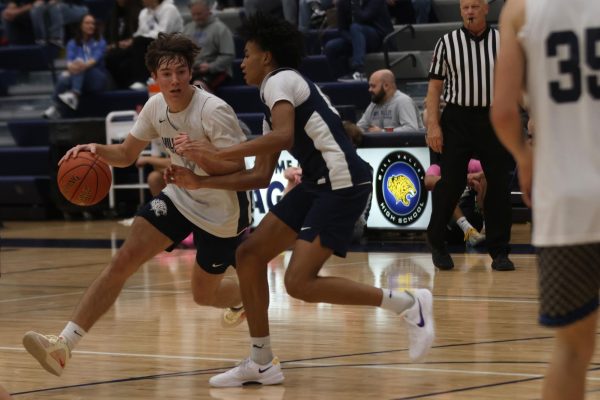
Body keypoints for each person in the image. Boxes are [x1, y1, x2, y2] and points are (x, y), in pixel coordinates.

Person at [166, 13, 435, 387]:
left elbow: (283, 136)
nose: (242, 62)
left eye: (247, 54)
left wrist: (217, 156)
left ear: (268, 57)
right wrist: (201, 181)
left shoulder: (281, 80)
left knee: (298, 283)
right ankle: (261, 361)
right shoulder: (271, 98)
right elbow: (260, 175)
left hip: (342, 182)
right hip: (315, 184)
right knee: (249, 254)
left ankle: (408, 303)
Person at [22, 33, 251, 377]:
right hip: (181, 196)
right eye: (166, 74)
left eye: (181, 72)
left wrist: (201, 159)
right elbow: (127, 154)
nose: (174, 81)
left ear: (190, 73)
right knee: (123, 260)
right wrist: (95, 150)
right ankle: (63, 346)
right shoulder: (156, 107)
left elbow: (239, 169)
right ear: (154, 77)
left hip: (221, 209)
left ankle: (246, 295)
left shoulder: (214, 111)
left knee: (204, 295)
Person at [491, 1, 600, 399]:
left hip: (566, 199)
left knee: (572, 350)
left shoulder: (519, 10)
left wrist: (524, 157)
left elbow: (503, 112)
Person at [425, 0, 514, 271]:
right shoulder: (447, 43)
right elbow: (434, 90)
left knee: (498, 185)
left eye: (475, 6)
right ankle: (437, 239)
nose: (470, 12)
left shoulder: (503, 41)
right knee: (450, 184)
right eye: (465, 7)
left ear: (486, 8)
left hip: (492, 118)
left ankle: (499, 251)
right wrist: (433, 125)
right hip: (457, 119)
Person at [42, 14, 109, 119]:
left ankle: (67, 99)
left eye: (93, 23)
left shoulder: (100, 42)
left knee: (78, 65)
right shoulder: (72, 43)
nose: (91, 26)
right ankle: (62, 102)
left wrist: (80, 65)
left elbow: (93, 61)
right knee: (64, 77)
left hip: (97, 78)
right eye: (87, 23)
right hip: (79, 78)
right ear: (81, 26)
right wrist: (74, 67)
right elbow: (69, 64)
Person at [323, 0, 393, 81]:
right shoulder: (343, 2)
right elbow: (342, 29)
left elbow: (364, 17)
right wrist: (352, 39)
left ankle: (360, 71)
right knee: (331, 46)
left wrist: (354, 3)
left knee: (355, 27)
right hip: (355, 39)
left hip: (377, 38)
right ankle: (339, 78)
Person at [425, 159, 486, 247]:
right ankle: (469, 231)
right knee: (443, 186)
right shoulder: (437, 168)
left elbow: (493, 170)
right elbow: (428, 182)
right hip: (451, 225)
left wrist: (478, 177)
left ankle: (487, 226)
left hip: (475, 220)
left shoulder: (471, 164)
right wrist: (464, 179)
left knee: (487, 178)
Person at [127, 0, 183, 90]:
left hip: (170, 43)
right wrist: (130, 41)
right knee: (120, 53)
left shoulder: (169, 9)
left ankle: (141, 80)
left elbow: (163, 33)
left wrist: (140, 38)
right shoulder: (144, 12)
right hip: (148, 41)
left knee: (139, 43)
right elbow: (140, 32)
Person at [182, 0, 235, 92]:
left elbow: (228, 55)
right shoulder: (188, 29)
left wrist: (211, 66)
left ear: (208, 11)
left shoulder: (220, 29)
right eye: (194, 14)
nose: (196, 17)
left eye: (199, 14)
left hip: (216, 71)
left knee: (198, 87)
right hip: (193, 70)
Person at [357, 69, 422, 133]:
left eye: (373, 86)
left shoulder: (403, 101)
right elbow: (360, 127)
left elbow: (411, 128)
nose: (369, 90)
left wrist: (383, 132)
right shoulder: (374, 104)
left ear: (386, 86)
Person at [104, 0, 143, 89]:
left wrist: (131, 41)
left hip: (133, 48)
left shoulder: (138, 11)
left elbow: (142, 33)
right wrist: (113, 45)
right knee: (109, 58)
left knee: (123, 63)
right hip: (115, 49)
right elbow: (107, 37)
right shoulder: (113, 14)